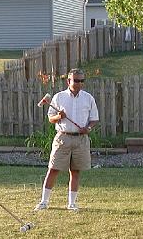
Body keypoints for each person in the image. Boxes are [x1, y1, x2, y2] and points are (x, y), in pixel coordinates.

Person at [35, 68, 99, 211]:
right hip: (63, 138)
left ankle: (72, 204)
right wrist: (59, 117)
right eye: (76, 80)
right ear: (68, 81)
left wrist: (88, 128)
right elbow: (51, 118)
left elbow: (94, 119)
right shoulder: (59, 97)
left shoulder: (88, 98)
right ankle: (44, 202)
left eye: (82, 81)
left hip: (81, 139)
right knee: (53, 169)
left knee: (75, 171)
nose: (79, 83)